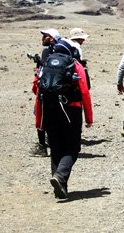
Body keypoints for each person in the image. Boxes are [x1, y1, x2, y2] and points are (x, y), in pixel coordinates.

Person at [35, 39, 93, 199]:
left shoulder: (45, 65)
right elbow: (85, 92)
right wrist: (88, 117)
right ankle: (60, 177)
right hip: (71, 111)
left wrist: (39, 120)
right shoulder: (75, 65)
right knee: (73, 148)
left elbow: (37, 90)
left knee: (56, 148)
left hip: (49, 110)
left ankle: (61, 188)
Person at [30, 28, 60, 157]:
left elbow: (45, 69)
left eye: (46, 36)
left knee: (40, 116)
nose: (43, 38)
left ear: (52, 38)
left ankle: (42, 147)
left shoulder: (47, 51)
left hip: (45, 89)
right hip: (58, 89)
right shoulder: (62, 51)